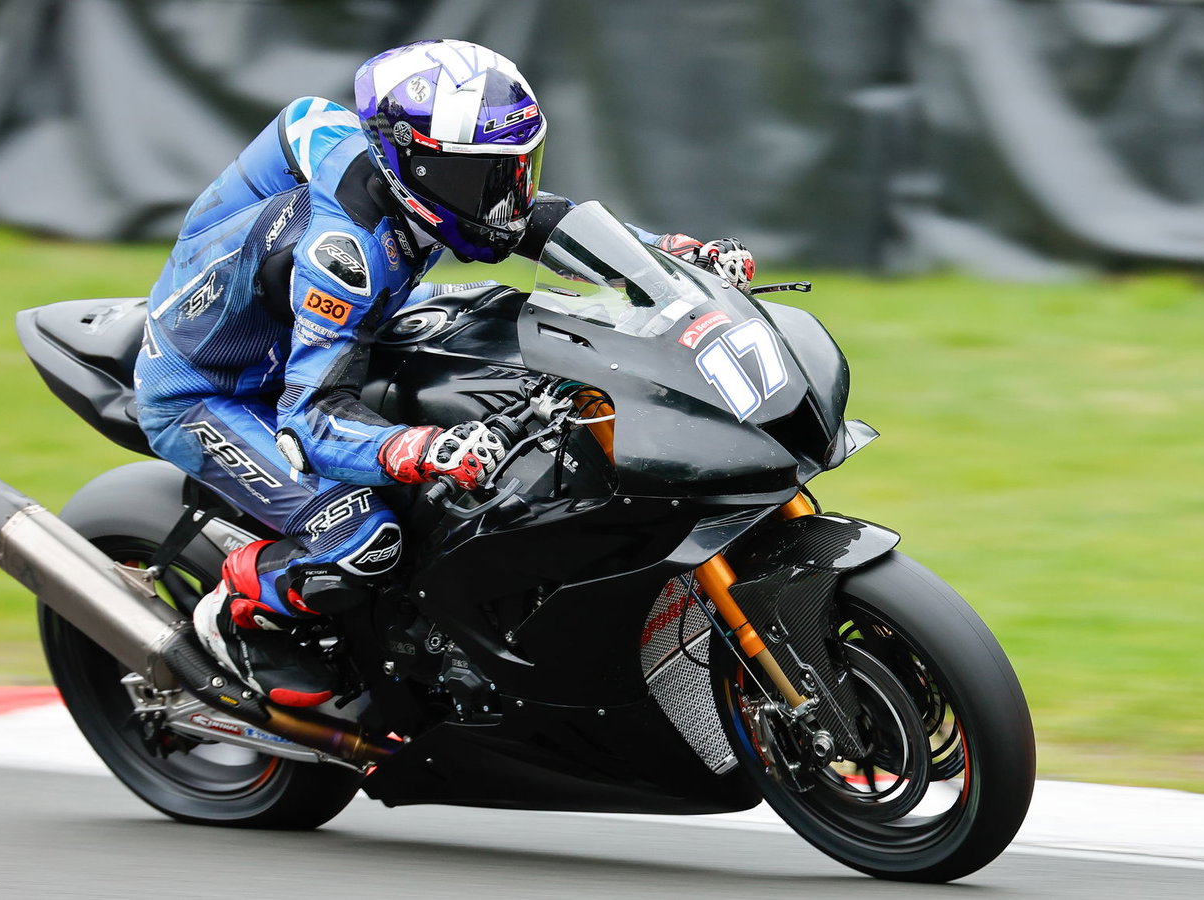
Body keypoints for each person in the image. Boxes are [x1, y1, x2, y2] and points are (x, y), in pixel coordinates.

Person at [134, 40, 755, 706]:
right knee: (365, 538)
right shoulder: (346, 257)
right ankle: (238, 611)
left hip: (315, 326)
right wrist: (421, 449)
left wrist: (666, 258)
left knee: (518, 349)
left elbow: (536, 218)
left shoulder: (404, 168)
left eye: (513, 169)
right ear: (411, 169)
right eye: (479, 179)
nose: (504, 198)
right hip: (214, 394)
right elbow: (309, 421)